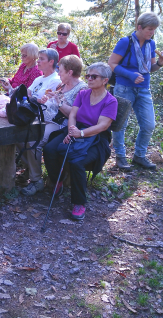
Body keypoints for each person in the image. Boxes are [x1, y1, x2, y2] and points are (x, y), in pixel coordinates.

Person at [43, 63, 117, 221]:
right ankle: (58, 180)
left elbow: (102, 126)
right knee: (50, 149)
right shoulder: (83, 94)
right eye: (88, 76)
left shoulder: (111, 101)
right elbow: (73, 115)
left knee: (78, 161)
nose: (89, 79)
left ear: (105, 80)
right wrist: (71, 131)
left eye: (94, 76)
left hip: (96, 137)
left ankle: (79, 202)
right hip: (76, 129)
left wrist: (80, 134)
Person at [108, 12, 163, 170]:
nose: (152, 32)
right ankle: (120, 157)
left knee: (149, 124)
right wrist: (130, 75)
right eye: (149, 29)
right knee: (120, 124)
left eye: (154, 29)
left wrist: (161, 63)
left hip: (143, 89)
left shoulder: (151, 44)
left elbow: (150, 68)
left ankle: (139, 156)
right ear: (139, 27)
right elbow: (112, 63)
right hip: (124, 87)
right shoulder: (125, 42)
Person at [37, 55, 88, 195]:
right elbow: (54, 102)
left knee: (41, 145)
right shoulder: (62, 84)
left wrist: (59, 103)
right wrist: (47, 100)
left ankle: (50, 179)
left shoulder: (82, 89)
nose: (58, 73)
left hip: (65, 126)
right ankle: (36, 176)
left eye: (61, 70)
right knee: (26, 135)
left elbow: (78, 115)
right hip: (48, 119)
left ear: (70, 72)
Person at [18, 48, 61, 196]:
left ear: (51, 62)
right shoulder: (39, 79)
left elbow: (46, 104)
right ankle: (30, 169)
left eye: (42, 59)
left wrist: (33, 98)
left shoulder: (55, 80)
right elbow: (28, 94)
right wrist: (32, 98)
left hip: (49, 120)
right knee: (16, 137)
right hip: (34, 116)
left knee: (32, 142)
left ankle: (36, 181)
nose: (38, 61)